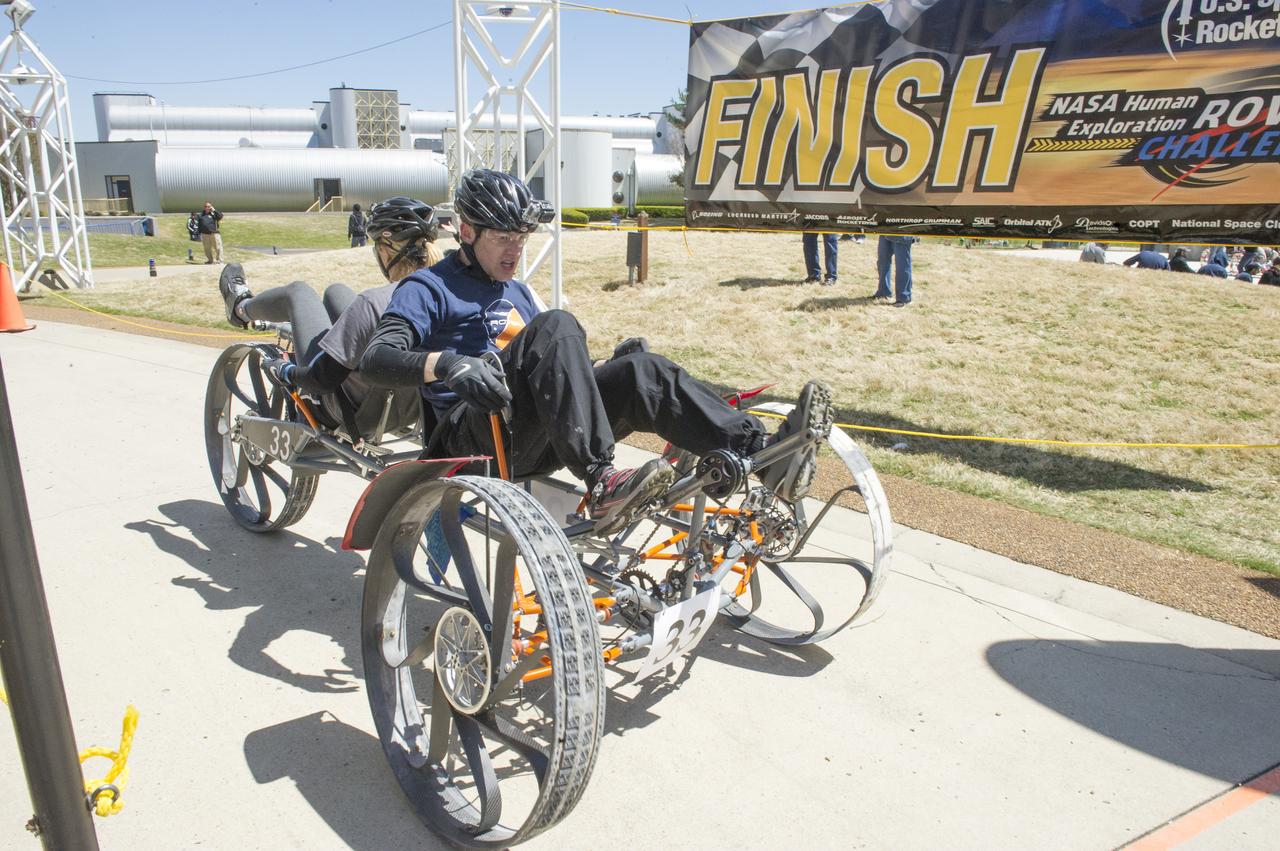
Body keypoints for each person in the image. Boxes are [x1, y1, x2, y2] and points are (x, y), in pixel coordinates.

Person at [359, 168, 831, 531]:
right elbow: (377, 358)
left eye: (521, 239)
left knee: (641, 370)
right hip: (469, 441)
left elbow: (548, 371)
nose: (514, 251)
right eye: (503, 238)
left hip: (529, 435)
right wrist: (447, 364)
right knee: (557, 324)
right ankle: (604, 482)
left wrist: (606, 367)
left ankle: (765, 455)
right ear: (466, 232)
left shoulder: (517, 291)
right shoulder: (427, 287)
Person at [218, 197, 443, 437]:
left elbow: (320, 380)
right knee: (336, 291)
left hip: (345, 410)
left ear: (386, 252)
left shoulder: (373, 303)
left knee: (298, 292)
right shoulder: (446, 295)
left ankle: (240, 307)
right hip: (411, 410)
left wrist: (284, 370)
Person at [875, 234, 917, 306]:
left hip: (902, 232)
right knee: (882, 262)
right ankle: (883, 292)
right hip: (885, 231)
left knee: (902, 265)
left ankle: (904, 298)